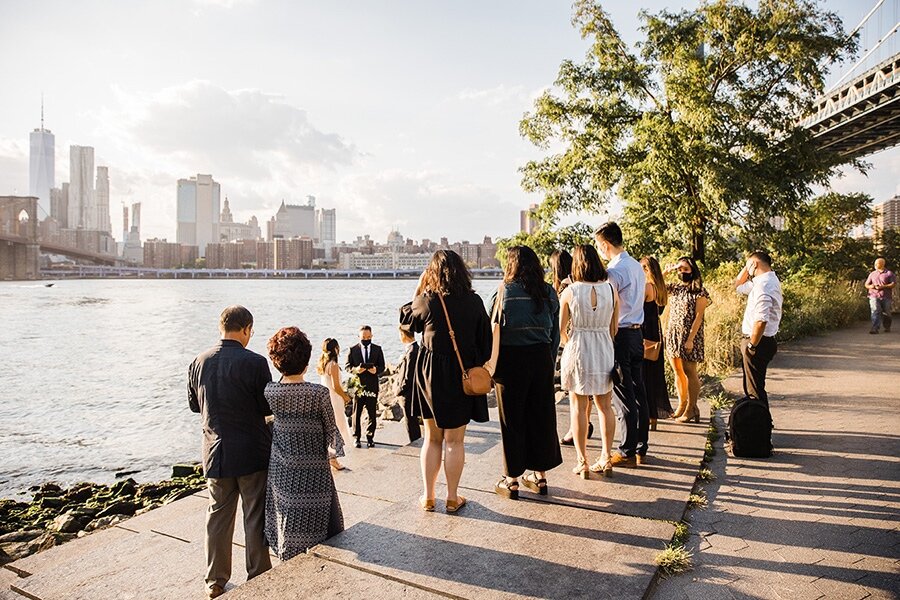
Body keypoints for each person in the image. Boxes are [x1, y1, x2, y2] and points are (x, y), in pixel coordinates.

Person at [188, 305, 272, 599]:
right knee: (255, 515)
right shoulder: (256, 362)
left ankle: (215, 580)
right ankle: (259, 573)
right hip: (252, 452)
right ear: (247, 328)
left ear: (220, 327)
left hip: (215, 452)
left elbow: (195, 405)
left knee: (217, 518)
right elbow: (266, 407)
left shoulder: (199, 361)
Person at [400, 249, 491, 513]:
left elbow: (406, 322)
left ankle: (428, 497)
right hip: (461, 376)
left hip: (430, 375)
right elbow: (486, 345)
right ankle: (452, 497)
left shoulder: (428, 301)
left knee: (432, 438)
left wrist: (419, 286)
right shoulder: (474, 302)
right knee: (454, 441)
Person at [264, 327, 344, 560]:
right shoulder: (317, 393)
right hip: (313, 467)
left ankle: (286, 548)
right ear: (306, 361)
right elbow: (331, 430)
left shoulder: (270, 391)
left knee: (285, 509)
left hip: (282, 466)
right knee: (318, 513)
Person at [489, 246, 563, 499]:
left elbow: (492, 329)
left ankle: (511, 481)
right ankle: (540, 476)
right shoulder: (549, 293)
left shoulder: (503, 292)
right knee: (541, 417)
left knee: (512, 420)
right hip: (541, 358)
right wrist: (549, 360)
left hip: (510, 361)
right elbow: (555, 334)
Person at [559, 245, 618, 478]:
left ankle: (582, 461)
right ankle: (606, 457)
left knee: (578, 407)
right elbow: (614, 327)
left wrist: (570, 343)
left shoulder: (570, 291)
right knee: (605, 406)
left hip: (578, 347)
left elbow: (561, 330)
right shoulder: (611, 289)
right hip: (604, 346)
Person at [594, 222, 649, 467]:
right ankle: (640, 445)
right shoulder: (636, 266)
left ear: (605, 245)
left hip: (622, 334)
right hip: (638, 333)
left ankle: (626, 450)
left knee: (623, 393)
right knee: (639, 392)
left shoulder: (614, 271)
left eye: (599, 246)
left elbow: (608, 303)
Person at [553, 249, 596, 446]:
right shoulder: (585, 284)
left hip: (572, 341)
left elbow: (560, 320)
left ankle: (575, 429)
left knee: (576, 392)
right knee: (587, 390)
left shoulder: (565, 287)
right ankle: (585, 424)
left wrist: (566, 341)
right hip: (591, 340)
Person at [662, 257, 711, 423]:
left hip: (690, 335)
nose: (682, 272)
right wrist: (667, 270)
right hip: (673, 333)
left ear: (693, 271)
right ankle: (682, 405)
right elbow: (655, 286)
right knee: (677, 371)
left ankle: (691, 407)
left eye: (685, 269)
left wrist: (690, 339)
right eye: (680, 270)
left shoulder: (699, 291)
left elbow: (698, 317)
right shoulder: (675, 288)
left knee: (690, 371)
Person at [734, 251, 783, 406]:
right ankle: (759, 424)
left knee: (754, 390)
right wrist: (748, 266)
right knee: (754, 387)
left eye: (748, 265)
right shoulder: (763, 281)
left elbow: (761, 320)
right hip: (761, 341)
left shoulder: (764, 285)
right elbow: (738, 286)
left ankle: (760, 426)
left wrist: (751, 345)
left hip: (758, 342)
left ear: (755, 264)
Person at [640, 256, 672, 426]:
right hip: (656, 332)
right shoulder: (661, 288)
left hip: (644, 331)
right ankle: (654, 416)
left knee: (643, 375)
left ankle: (646, 414)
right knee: (655, 374)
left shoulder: (646, 287)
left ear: (646, 270)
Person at [317, 338, 354, 470]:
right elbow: (336, 386)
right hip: (334, 399)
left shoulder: (323, 363)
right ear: (336, 349)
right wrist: (346, 397)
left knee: (331, 428)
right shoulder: (332, 365)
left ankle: (329, 456)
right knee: (337, 427)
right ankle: (333, 458)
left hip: (327, 399)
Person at [345, 325, 385, 448]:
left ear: (372, 336)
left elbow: (382, 366)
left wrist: (376, 370)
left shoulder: (377, 349)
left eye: (368, 337)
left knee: (372, 413)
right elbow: (347, 366)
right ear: (359, 337)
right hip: (357, 386)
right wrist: (356, 369)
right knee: (356, 413)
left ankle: (370, 437)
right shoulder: (352, 350)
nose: (366, 339)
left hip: (372, 385)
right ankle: (356, 437)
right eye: (363, 337)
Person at [394, 325, 422, 443]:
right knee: (411, 421)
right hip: (411, 392)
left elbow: (408, 377)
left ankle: (415, 443)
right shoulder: (414, 349)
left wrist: (399, 390)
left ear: (403, 335)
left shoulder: (411, 352)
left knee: (411, 422)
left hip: (409, 394)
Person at [865, 257, 895, 334]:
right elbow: (866, 284)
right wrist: (872, 286)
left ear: (882, 264)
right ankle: (875, 328)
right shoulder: (872, 274)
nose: (875, 265)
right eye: (875, 263)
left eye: (877, 263)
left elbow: (893, 284)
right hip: (873, 295)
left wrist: (883, 287)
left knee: (887, 312)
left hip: (886, 296)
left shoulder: (889, 273)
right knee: (875, 311)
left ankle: (887, 326)